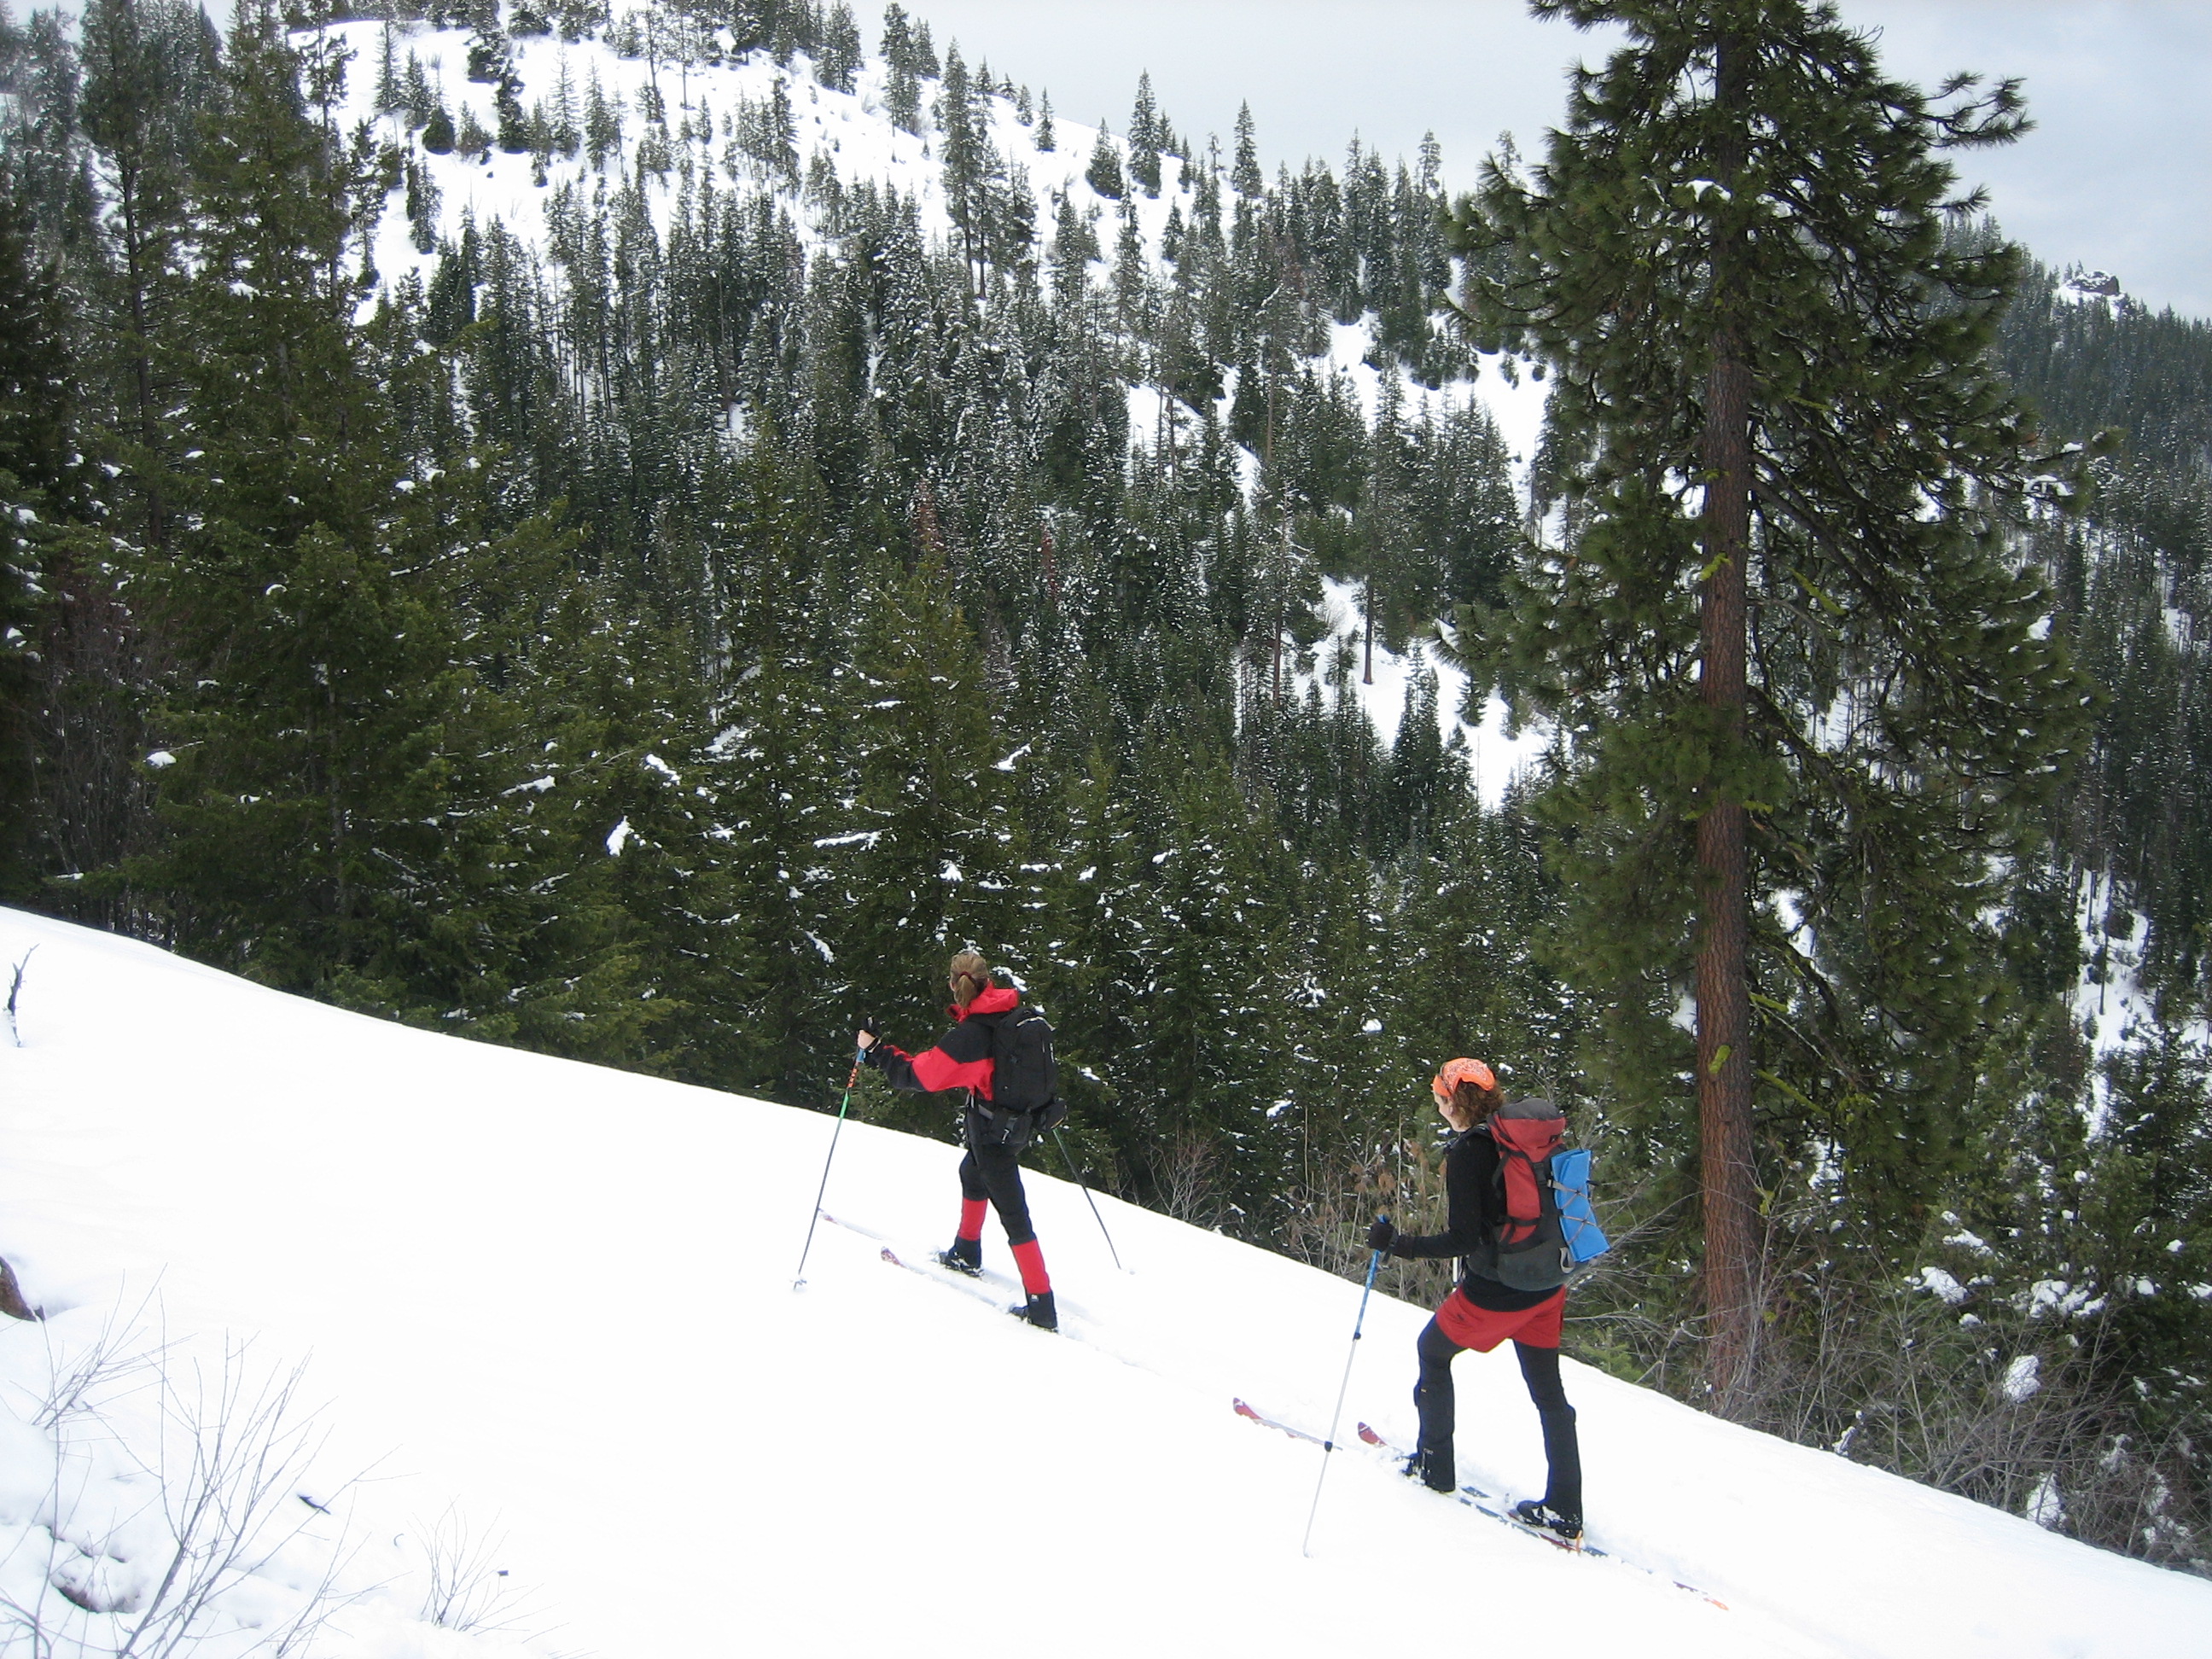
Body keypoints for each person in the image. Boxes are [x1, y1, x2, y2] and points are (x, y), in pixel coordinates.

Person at [1367, 1057, 1583, 1539]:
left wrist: (1398, 1244)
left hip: (1499, 1289)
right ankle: (1566, 1511)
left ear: (1449, 1100)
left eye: (1438, 1094)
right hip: (1548, 1283)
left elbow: (1463, 1239)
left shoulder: (1470, 1153)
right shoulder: (1524, 1136)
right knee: (1550, 1396)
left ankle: (1434, 1468)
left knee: (1432, 1351)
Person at [857, 950, 1058, 1331]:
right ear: (988, 980)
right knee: (972, 1172)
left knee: (1014, 1214)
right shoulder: (1010, 1014)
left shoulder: (972, 1036)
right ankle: (967, 1251)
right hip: (1018, 1124)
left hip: (992, 1131)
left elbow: (918, 1076)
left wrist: (875, 1050)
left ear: (954, 985)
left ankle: (1042, 1306)